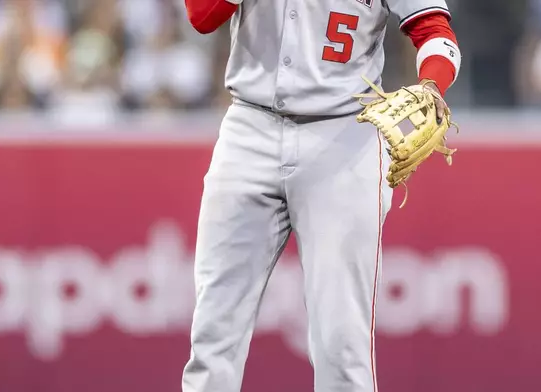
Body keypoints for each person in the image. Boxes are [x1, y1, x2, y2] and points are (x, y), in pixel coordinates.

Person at [181, 0, 461, 391]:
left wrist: (432, 86)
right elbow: (202, 16)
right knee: (213, 333)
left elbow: (435, 34)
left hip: (345, 133)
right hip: (249, 125)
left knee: (342, 345)